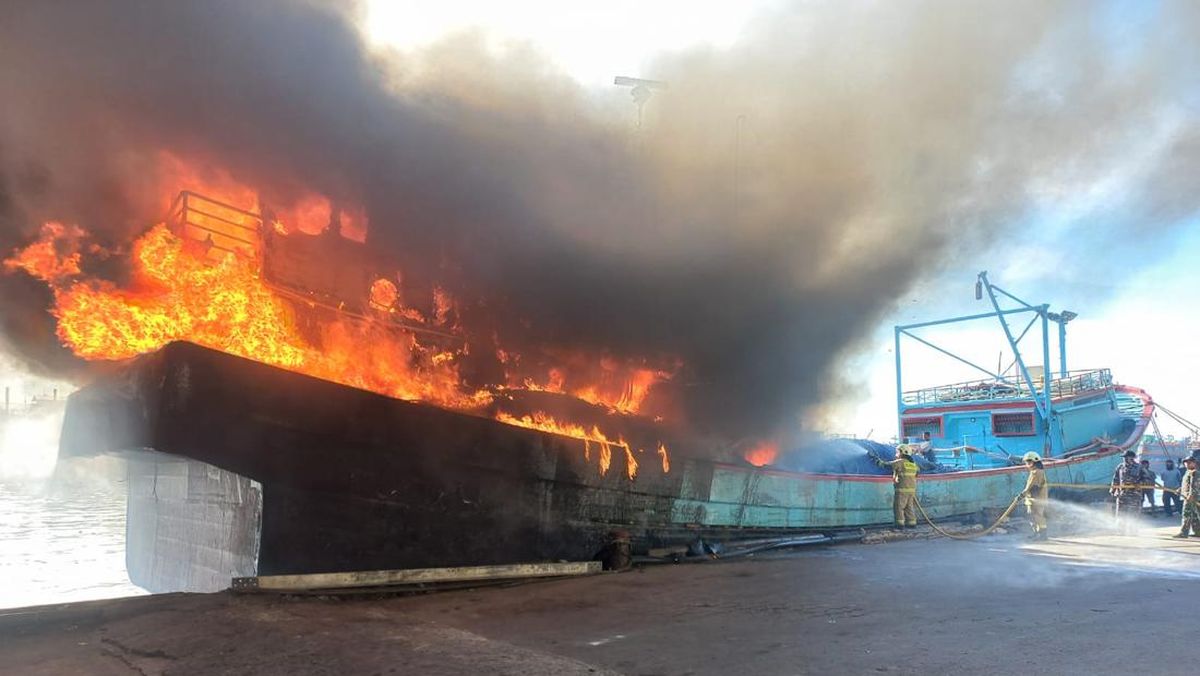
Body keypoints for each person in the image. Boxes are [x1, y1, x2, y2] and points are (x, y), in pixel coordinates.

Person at [875, 444, 920, 529]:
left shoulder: (900, 462)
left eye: (898, 452)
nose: (896, 454)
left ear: (903, 452)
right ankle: (912, 523)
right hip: (911, 490)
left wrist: (878, 462)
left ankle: (899, 525)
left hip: (902, 490)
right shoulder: (913, 464)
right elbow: (917, 473)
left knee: (898, 507)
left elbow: (888, 465)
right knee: (909, 507)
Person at [1110, 450, 1147, 534]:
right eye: (1124, 458)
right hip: (1122, 494)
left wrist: (1139, 484)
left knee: (1134, 513)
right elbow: (1115, 479)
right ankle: (1121, 531)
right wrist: (1113, 489)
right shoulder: (1120, 467)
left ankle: (1133, 531)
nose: (1125, 459)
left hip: (1135, 495)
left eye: (1127, 457)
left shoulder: (1139, 467)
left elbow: (1147, 479)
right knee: (1121, 513)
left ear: (1132, 458)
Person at [1019, 451, 1049, 540]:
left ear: (1035, 462)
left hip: (1037, 499)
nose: (1027, 464)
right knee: (1032, 516)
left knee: (1038, 516)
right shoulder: (1036, 471)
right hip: (1032, 499)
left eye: (1029, 462)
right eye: (1026, 462)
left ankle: (1042, 535)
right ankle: (1037, 533)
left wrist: (1021, 495)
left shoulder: (1036, 473)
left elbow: (1030, 487)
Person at [1173, 456, 1200, 539]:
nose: (1187, 464)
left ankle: (1184, 532)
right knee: (1195, 515)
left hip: (1191, 497)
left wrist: (1191, 495)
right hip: (1188, 496)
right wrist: (1180, 489)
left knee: (1186, 514)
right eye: (1186, 462)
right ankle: (1198, 531)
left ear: (1194, 463)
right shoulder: (1187, 472)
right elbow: (1186, 484)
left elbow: (1194, 485)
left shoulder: (1194, 472)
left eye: (1189, 462)